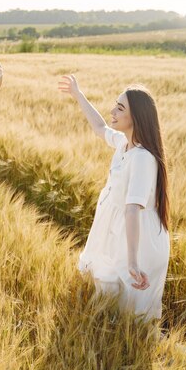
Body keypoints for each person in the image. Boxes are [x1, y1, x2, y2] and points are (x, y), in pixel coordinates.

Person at [58, 74, 170, 323]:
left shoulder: (142, 158)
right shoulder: (124, 143)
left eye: (120, 108)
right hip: (118, 230)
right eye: (115, 105)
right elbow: (100, 128)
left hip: (136, 239)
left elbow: (132, 210)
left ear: (136, 118)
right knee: (113, 305)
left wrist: (132, 261)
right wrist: (78, 94)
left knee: (132, 314)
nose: (113, 111)